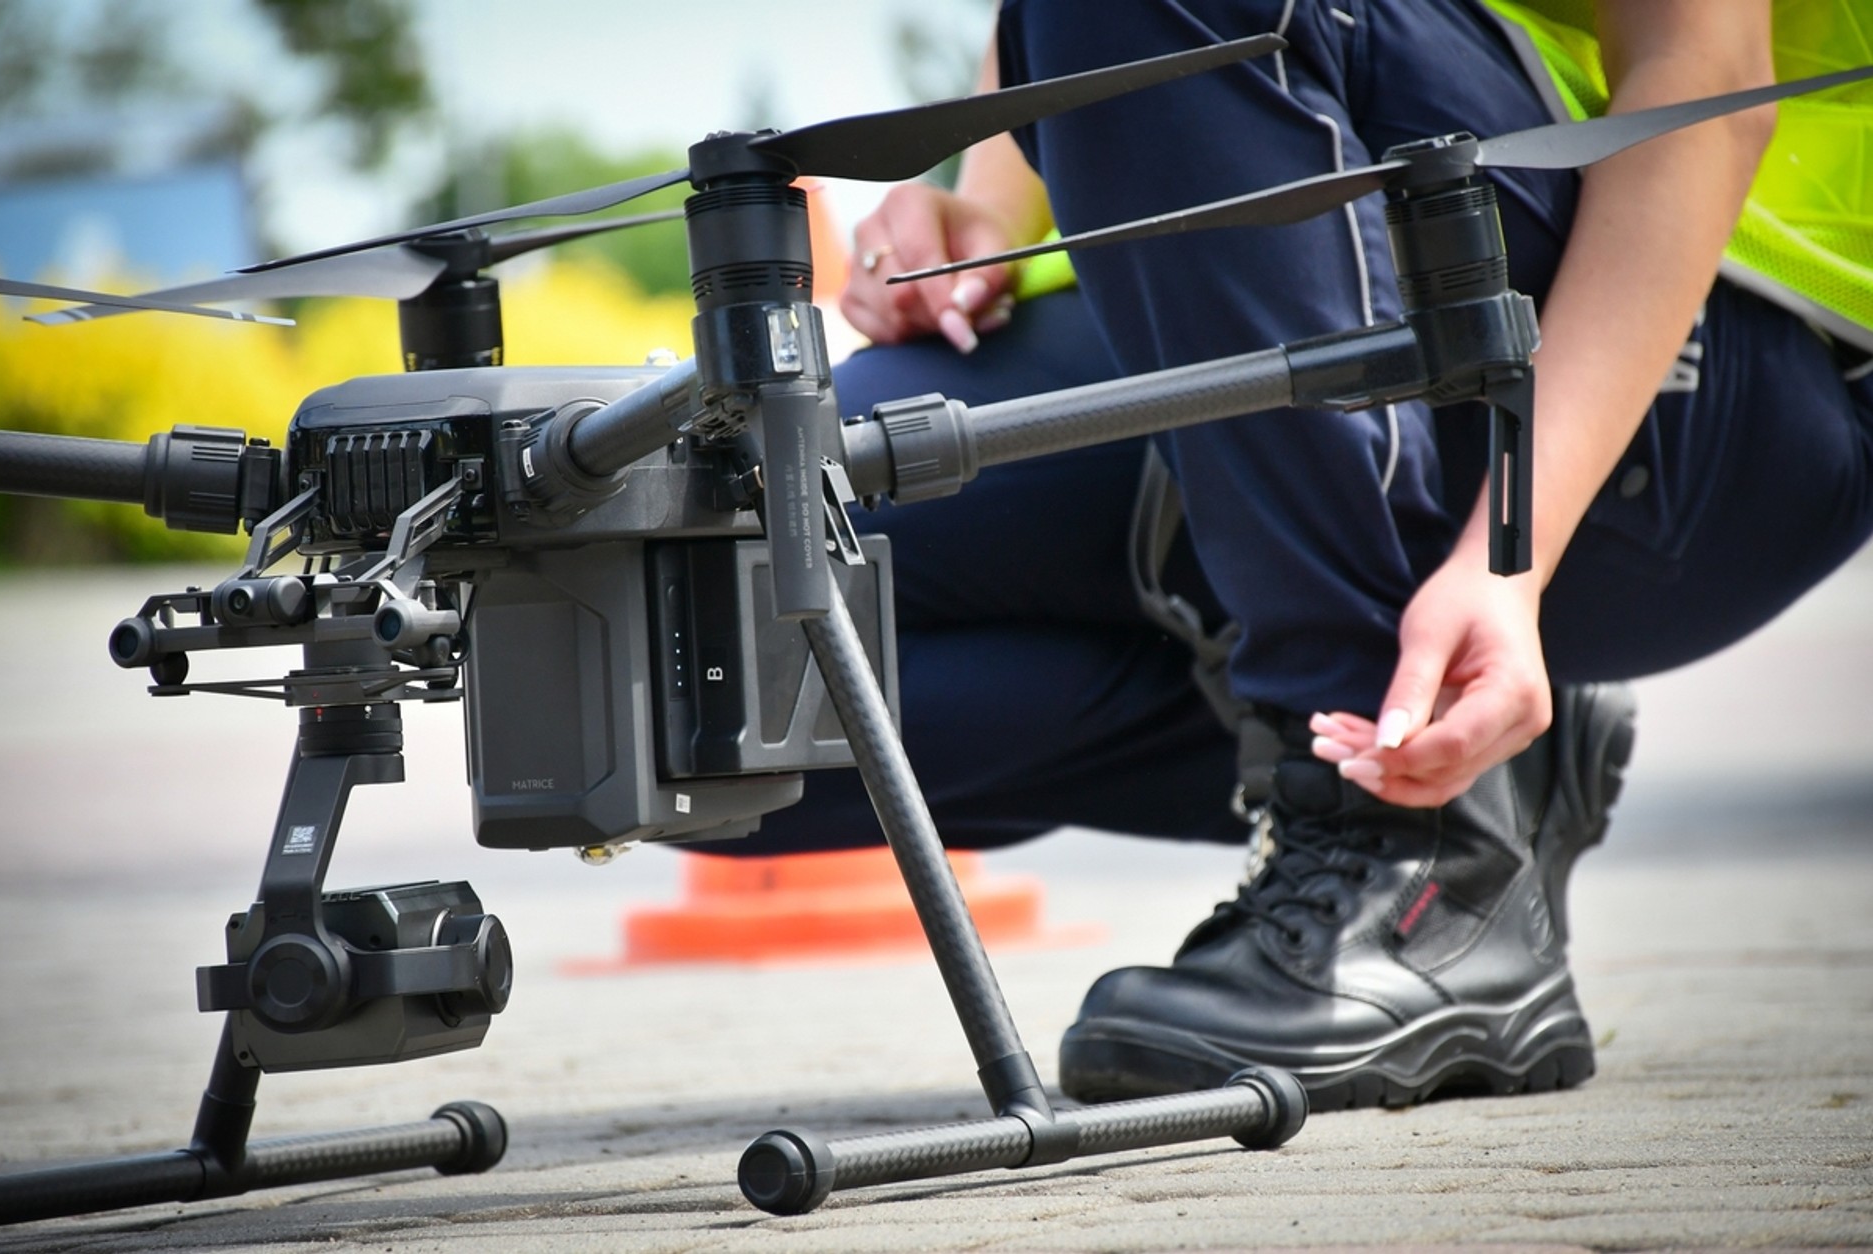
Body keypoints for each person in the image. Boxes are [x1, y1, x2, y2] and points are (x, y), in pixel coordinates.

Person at [745, 0, 1873, 1110]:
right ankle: (1451, 749)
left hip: (1713, 364)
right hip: (1316, 305)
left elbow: (1703, 75)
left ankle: (1413, 858)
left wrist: (1507, 555)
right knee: (727, 663)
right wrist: (983, 202)